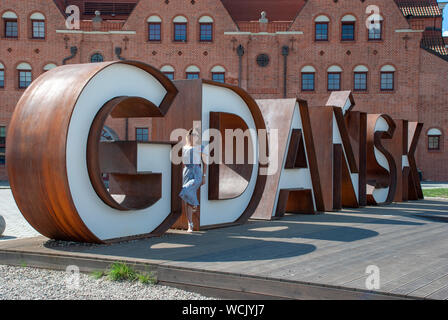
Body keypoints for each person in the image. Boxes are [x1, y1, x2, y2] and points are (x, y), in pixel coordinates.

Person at [179, 129, 207, 233]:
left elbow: (205, 163)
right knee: (188, 199)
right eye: (192, 134)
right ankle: (190, 224)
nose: (193, 136)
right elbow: (182, 161)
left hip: (197, 171)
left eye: (195, 135)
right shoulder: (184, 148)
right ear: (188, 136)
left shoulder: (201, 147)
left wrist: (204, 176)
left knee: (186, 190)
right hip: (186, 171)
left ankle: (195, 204)